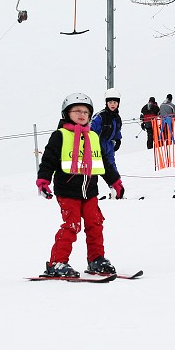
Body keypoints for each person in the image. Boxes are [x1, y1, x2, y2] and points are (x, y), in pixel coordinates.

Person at [36, 93, 124, 278]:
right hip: (67, 191)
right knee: (72, 225)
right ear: (66, 113)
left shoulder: (93, 137)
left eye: (85, 112)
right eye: (77, 111)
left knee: (95, 224)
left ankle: (96, 260)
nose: (82, 115)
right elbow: (49, 159)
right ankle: (57, 263)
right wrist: (43, 180)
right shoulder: (60, 135)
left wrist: (115, 181)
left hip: (90, 191)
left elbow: (104, 162)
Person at [90, 88, 123, 177]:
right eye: (110, 102)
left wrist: (118, 140)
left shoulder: (117, 118)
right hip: (98, 145)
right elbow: (90, 128)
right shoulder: (100, 116)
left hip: (109, 145)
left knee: (111, 166)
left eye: (115, 102)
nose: (112, 104)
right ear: (106, 103)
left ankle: (116, 183)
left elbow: (117, 129)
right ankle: (90, 184)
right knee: (95, 168)